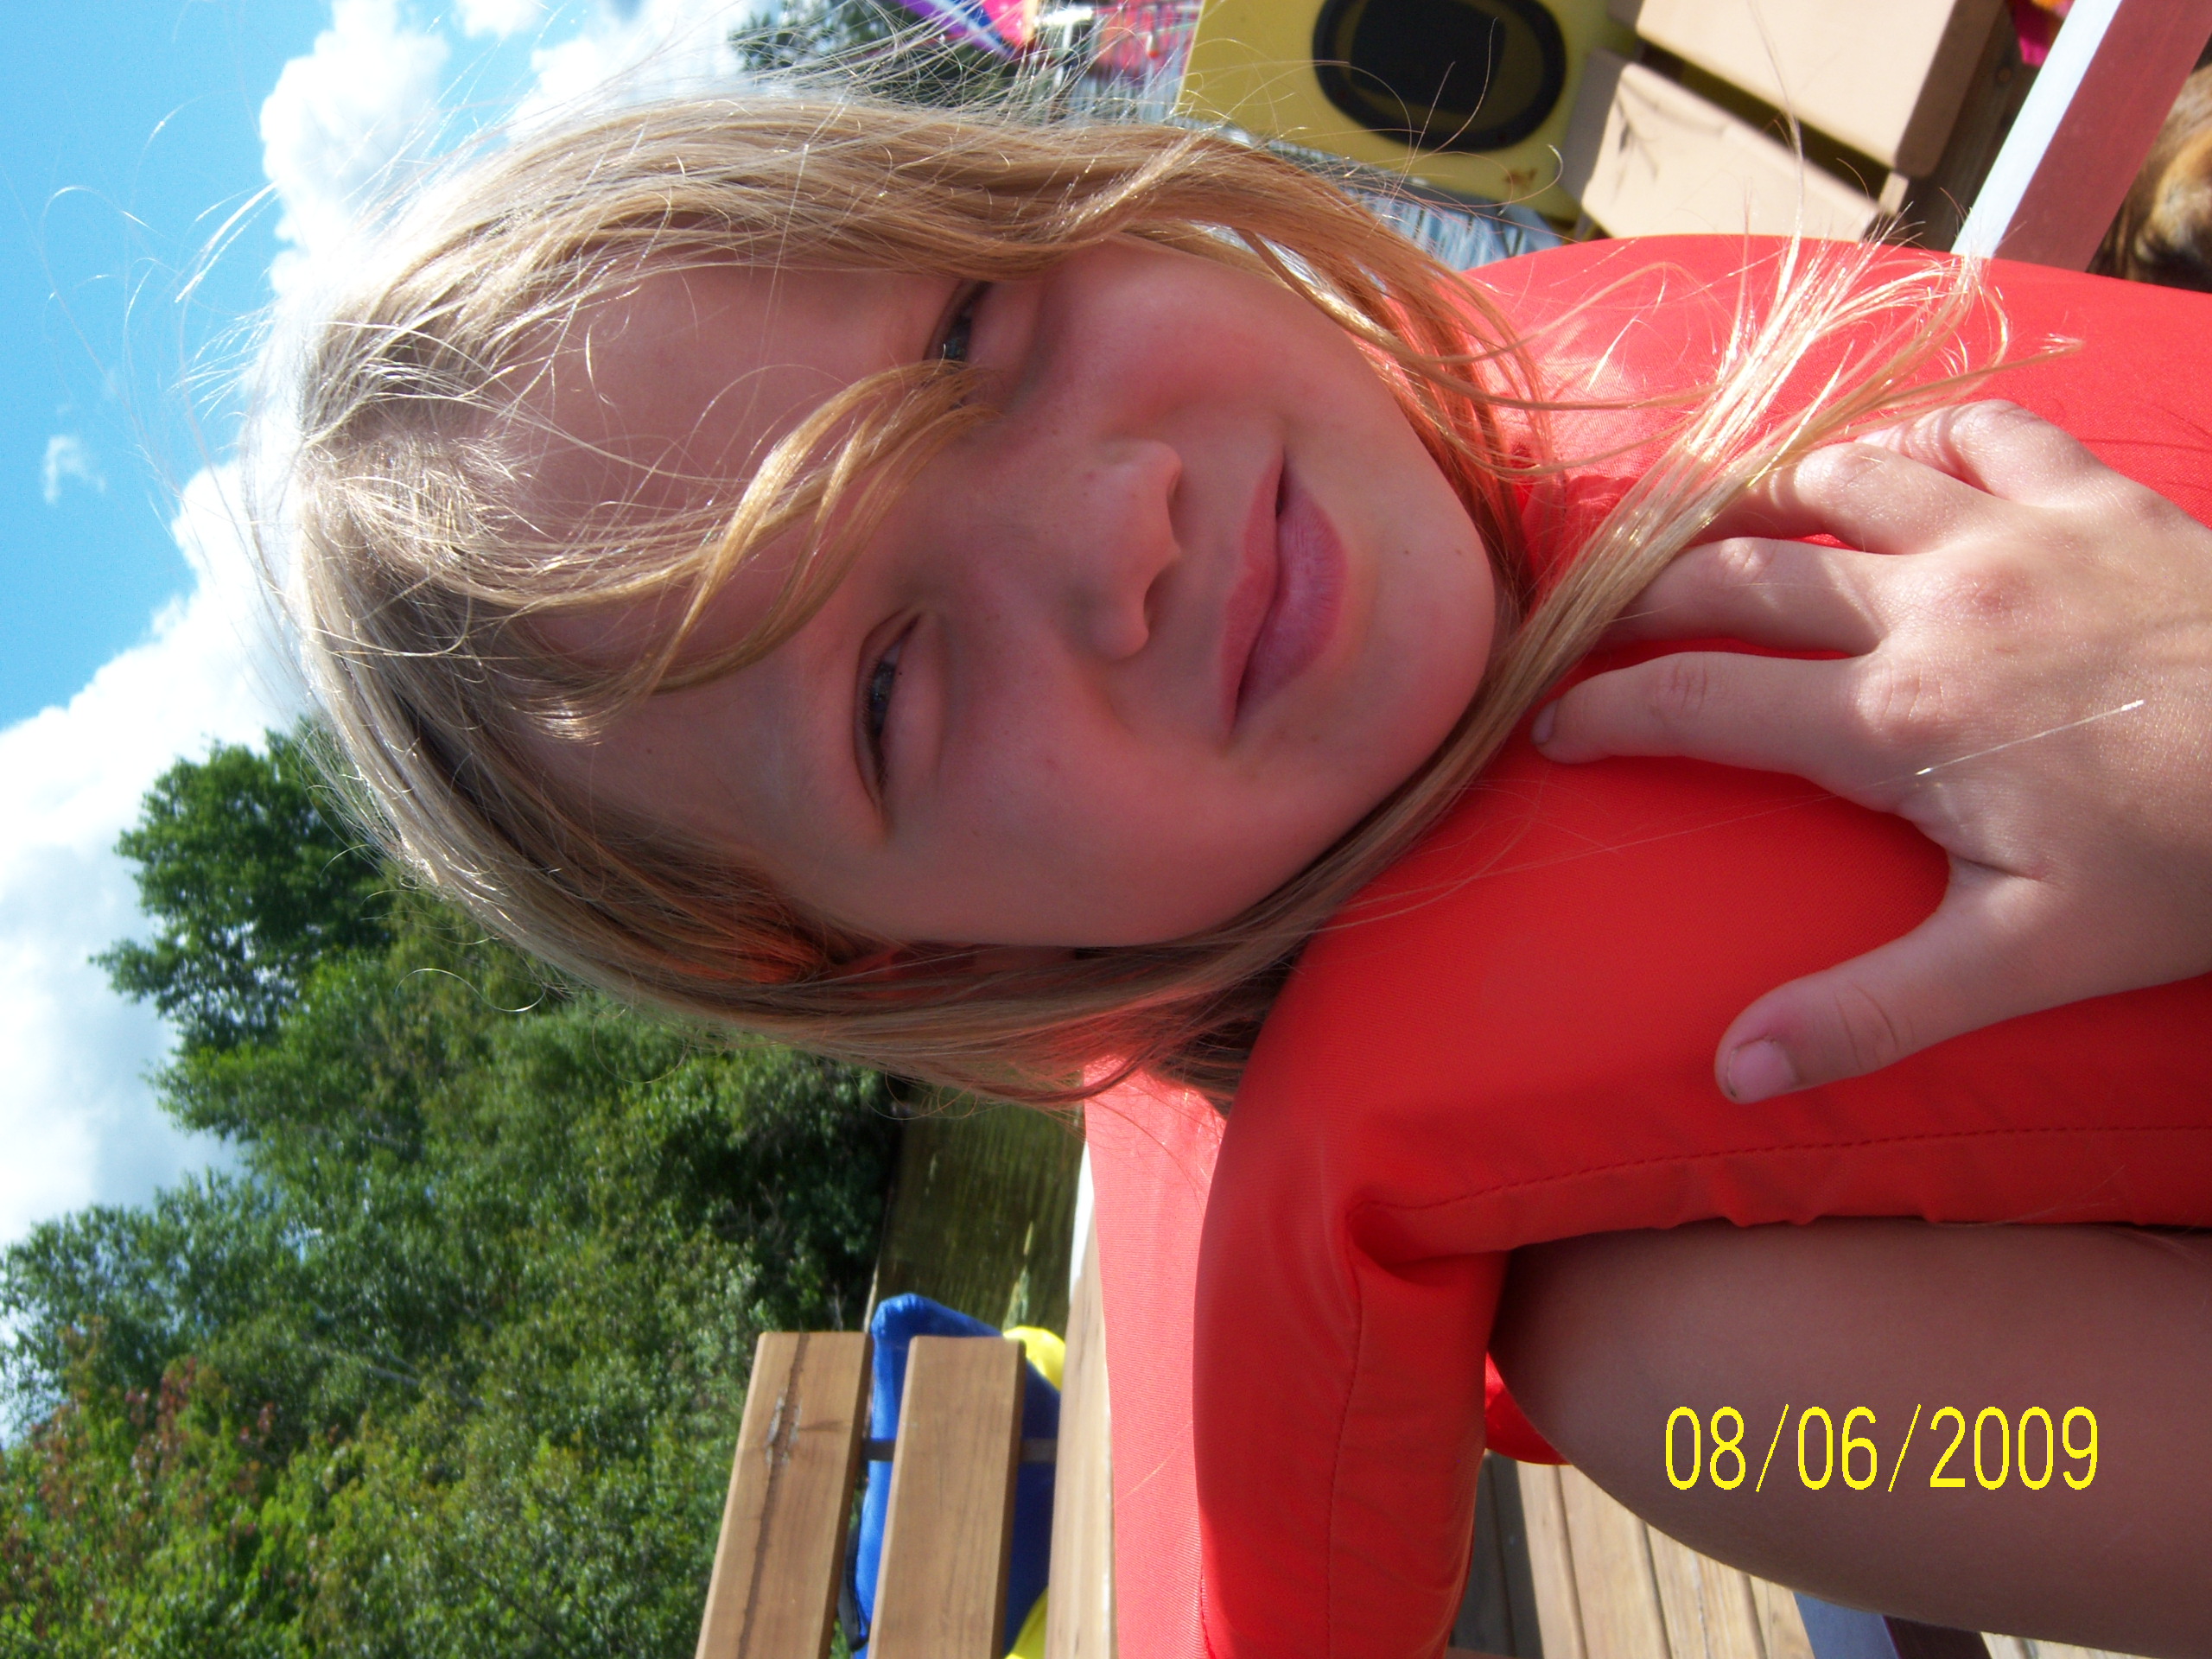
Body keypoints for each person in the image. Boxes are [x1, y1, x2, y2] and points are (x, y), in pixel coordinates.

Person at [279, 88, 2212, 1650]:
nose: (1118, 526)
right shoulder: (1722, 1386)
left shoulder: (1591, 363)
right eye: (886, 688)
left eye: (966, 335)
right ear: (902, 961)